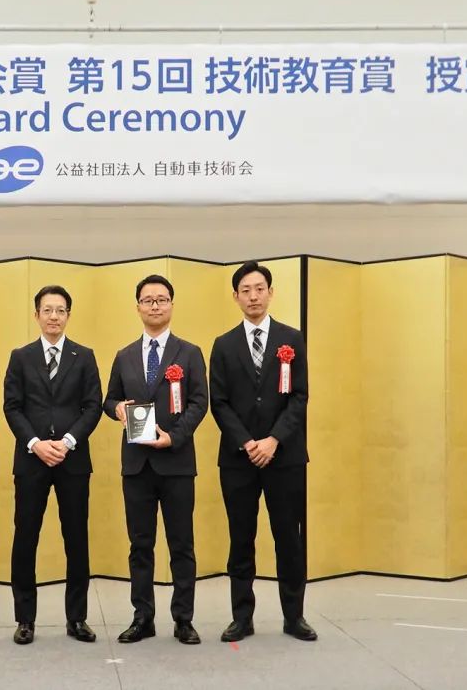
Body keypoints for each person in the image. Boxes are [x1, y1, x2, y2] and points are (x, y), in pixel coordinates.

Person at [209, 261, 316, 643]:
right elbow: (219, 402)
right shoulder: (223, 345)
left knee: (289, 538)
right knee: (241, 539)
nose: (253, 296)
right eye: (245, 290)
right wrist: (247, 442)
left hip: (284, 457)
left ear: (271, 293)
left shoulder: (292, 338)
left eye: (259, 289)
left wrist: (273, 440)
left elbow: (299, 397)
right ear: (235, 296)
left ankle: (294, 616)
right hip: (238, 459)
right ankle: (242, 617)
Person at [102, 274, 208, 645]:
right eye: (148, 300)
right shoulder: (124, 355)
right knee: (140, 545)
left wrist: (174, 437)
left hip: (176, 463)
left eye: (162, 299)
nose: (155, 306)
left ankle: (183, 619)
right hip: (137, 466)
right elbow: (108, 399)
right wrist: (117, 408)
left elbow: (199, 402)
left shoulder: (189, 353)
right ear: (138, 307)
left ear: (171, 305)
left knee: (181, 545)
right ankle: (142, 617)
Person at [3, 285, 103, 645]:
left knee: (76, 538)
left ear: (68, 316)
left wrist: (68, 441)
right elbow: (12, 406)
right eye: (47, 310)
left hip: (72, 460)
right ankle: (25, 619)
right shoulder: (21, 357)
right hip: (31, 460)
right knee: (25, 537)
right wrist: (35, 443)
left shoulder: (84, 356)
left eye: (60, 310)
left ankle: (77, 618)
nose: (54, 317)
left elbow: (93, 406)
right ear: (36, 315)